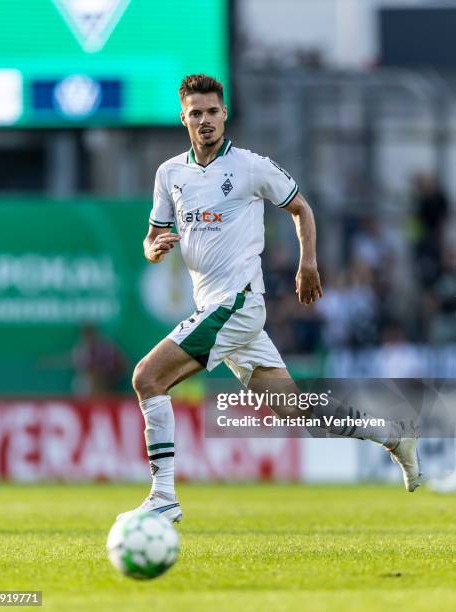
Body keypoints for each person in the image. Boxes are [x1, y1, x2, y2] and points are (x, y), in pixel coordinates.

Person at [117, 74, 421, 524]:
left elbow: (301, 208)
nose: (205, 120)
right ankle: (393, 436)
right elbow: (153, 235)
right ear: (184, 118)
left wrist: (309, 263)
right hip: (215, 308)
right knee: (295, 409)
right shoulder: (169, 174)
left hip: (237, 303)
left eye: (212, 112)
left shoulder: (251, 166)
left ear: (225, 114)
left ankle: (164, 496)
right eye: (196, 113)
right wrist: (155, 248)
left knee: (147, 378)